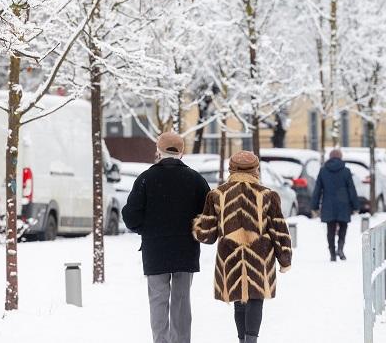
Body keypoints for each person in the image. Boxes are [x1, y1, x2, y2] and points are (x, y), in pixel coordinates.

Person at [193, 151, 292, 343]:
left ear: (231, 169)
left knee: (239, 299)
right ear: (256, 170)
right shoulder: (268, 195)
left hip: (230, 256)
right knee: (256, 298)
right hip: (260, 257)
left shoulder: (217, 195)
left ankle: (242, 340)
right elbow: (279, 230)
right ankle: (251, 340)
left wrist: (197, 225)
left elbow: (206, 234)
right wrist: (285, 259)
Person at [122, 132, 210, 343]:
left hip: (155, 250)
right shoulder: (196, 179)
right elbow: (208, 215)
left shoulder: (145, 179)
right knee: (181, 302)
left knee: (158, 301)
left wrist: (147, 229)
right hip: (185, 250)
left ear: (158, 151)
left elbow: (130, 216)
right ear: (182, 152)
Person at [310, 148, 359, 262]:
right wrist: (355, 205)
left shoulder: (323, 171)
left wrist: (314, 206)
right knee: (343, 227)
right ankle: (340, 248)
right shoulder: (346, 171)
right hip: (343, 204)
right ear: (341, 157)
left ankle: (332, 253)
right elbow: (351, 189)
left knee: (330, 229)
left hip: (328, 204)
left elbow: (318, 189)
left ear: (330, 158)